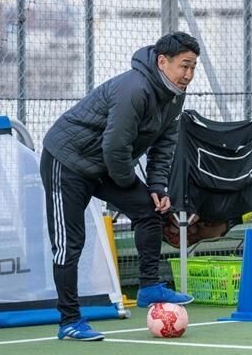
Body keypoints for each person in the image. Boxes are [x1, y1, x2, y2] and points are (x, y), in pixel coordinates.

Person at [39, 31, 200, 341]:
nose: (189, 75)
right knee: (69, 243)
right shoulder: (134, 89)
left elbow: (165, 144)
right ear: (162, 61)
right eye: (184, 66)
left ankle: (148, 287)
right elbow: (115, 146)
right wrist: (128, 184)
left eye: (193, 67)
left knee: (149, 208)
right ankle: (69, 321)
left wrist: (156, 187)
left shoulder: (174, 96)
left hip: (104, 165)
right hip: (67, 161)